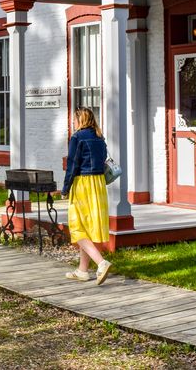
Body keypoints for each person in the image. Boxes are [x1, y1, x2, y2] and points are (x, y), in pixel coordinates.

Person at [62, 107, 112, 285]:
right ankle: (83, 271)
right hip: (98, 184)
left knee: (76, 226)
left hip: (83, 183)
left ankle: (101, 262)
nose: (72, 123)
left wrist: (65, 188)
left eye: (74, 120)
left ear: (79, 120)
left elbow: (73, 164)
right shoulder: (99, 137)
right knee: (90, 227)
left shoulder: (77, 137)